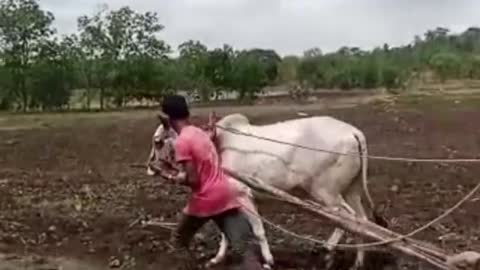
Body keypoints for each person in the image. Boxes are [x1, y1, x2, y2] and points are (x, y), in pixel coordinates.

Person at [155, 94, 262, 270]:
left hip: (206, 198)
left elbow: (194, 180)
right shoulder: (199, 133)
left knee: (179, 240)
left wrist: (171, 177)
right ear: (187, 113)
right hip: (225, 192)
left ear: (167, 118)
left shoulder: (182, 142)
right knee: (244, 248)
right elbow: (209, 142)